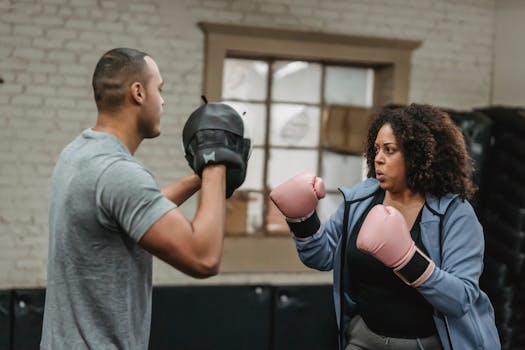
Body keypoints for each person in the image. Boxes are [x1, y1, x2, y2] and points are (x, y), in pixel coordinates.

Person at [40, 48, 249, 349]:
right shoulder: (119, 173)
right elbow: (204, 258)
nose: (162, 101)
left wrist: (199, 179)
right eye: (159, 89)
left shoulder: (79, 153)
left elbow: (135, 210)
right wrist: (216, 162)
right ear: (138, 92)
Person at [270, 103, 500, 350]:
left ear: (418, 155)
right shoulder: (361, 198)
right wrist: (303, 220)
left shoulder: (454, 214)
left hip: (427, 343)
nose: (378, 158)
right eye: (377, 149)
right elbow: (323, 257)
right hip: (365, 338)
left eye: (389, 150)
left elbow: (460, 299)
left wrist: (408, 260)